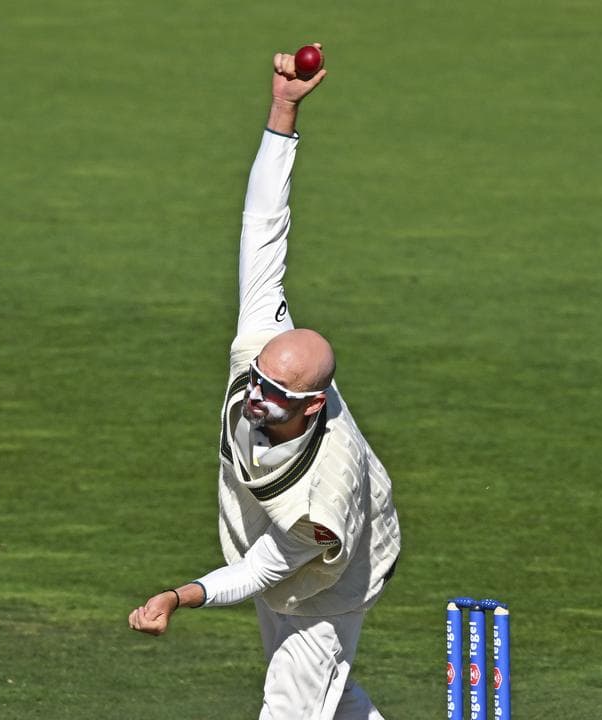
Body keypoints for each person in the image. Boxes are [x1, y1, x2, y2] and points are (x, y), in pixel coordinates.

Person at [127, 47, 401, 719]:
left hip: (334, 576)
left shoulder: (325, 492)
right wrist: (284, 110)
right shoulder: (263, 349)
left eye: (274, 396)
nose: (255, 398)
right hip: (273, 547)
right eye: (257, 381)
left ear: (311, 406)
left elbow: (260, 573)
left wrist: (178, 596)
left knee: (291, 705)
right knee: (328, 704)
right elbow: (264, 231)